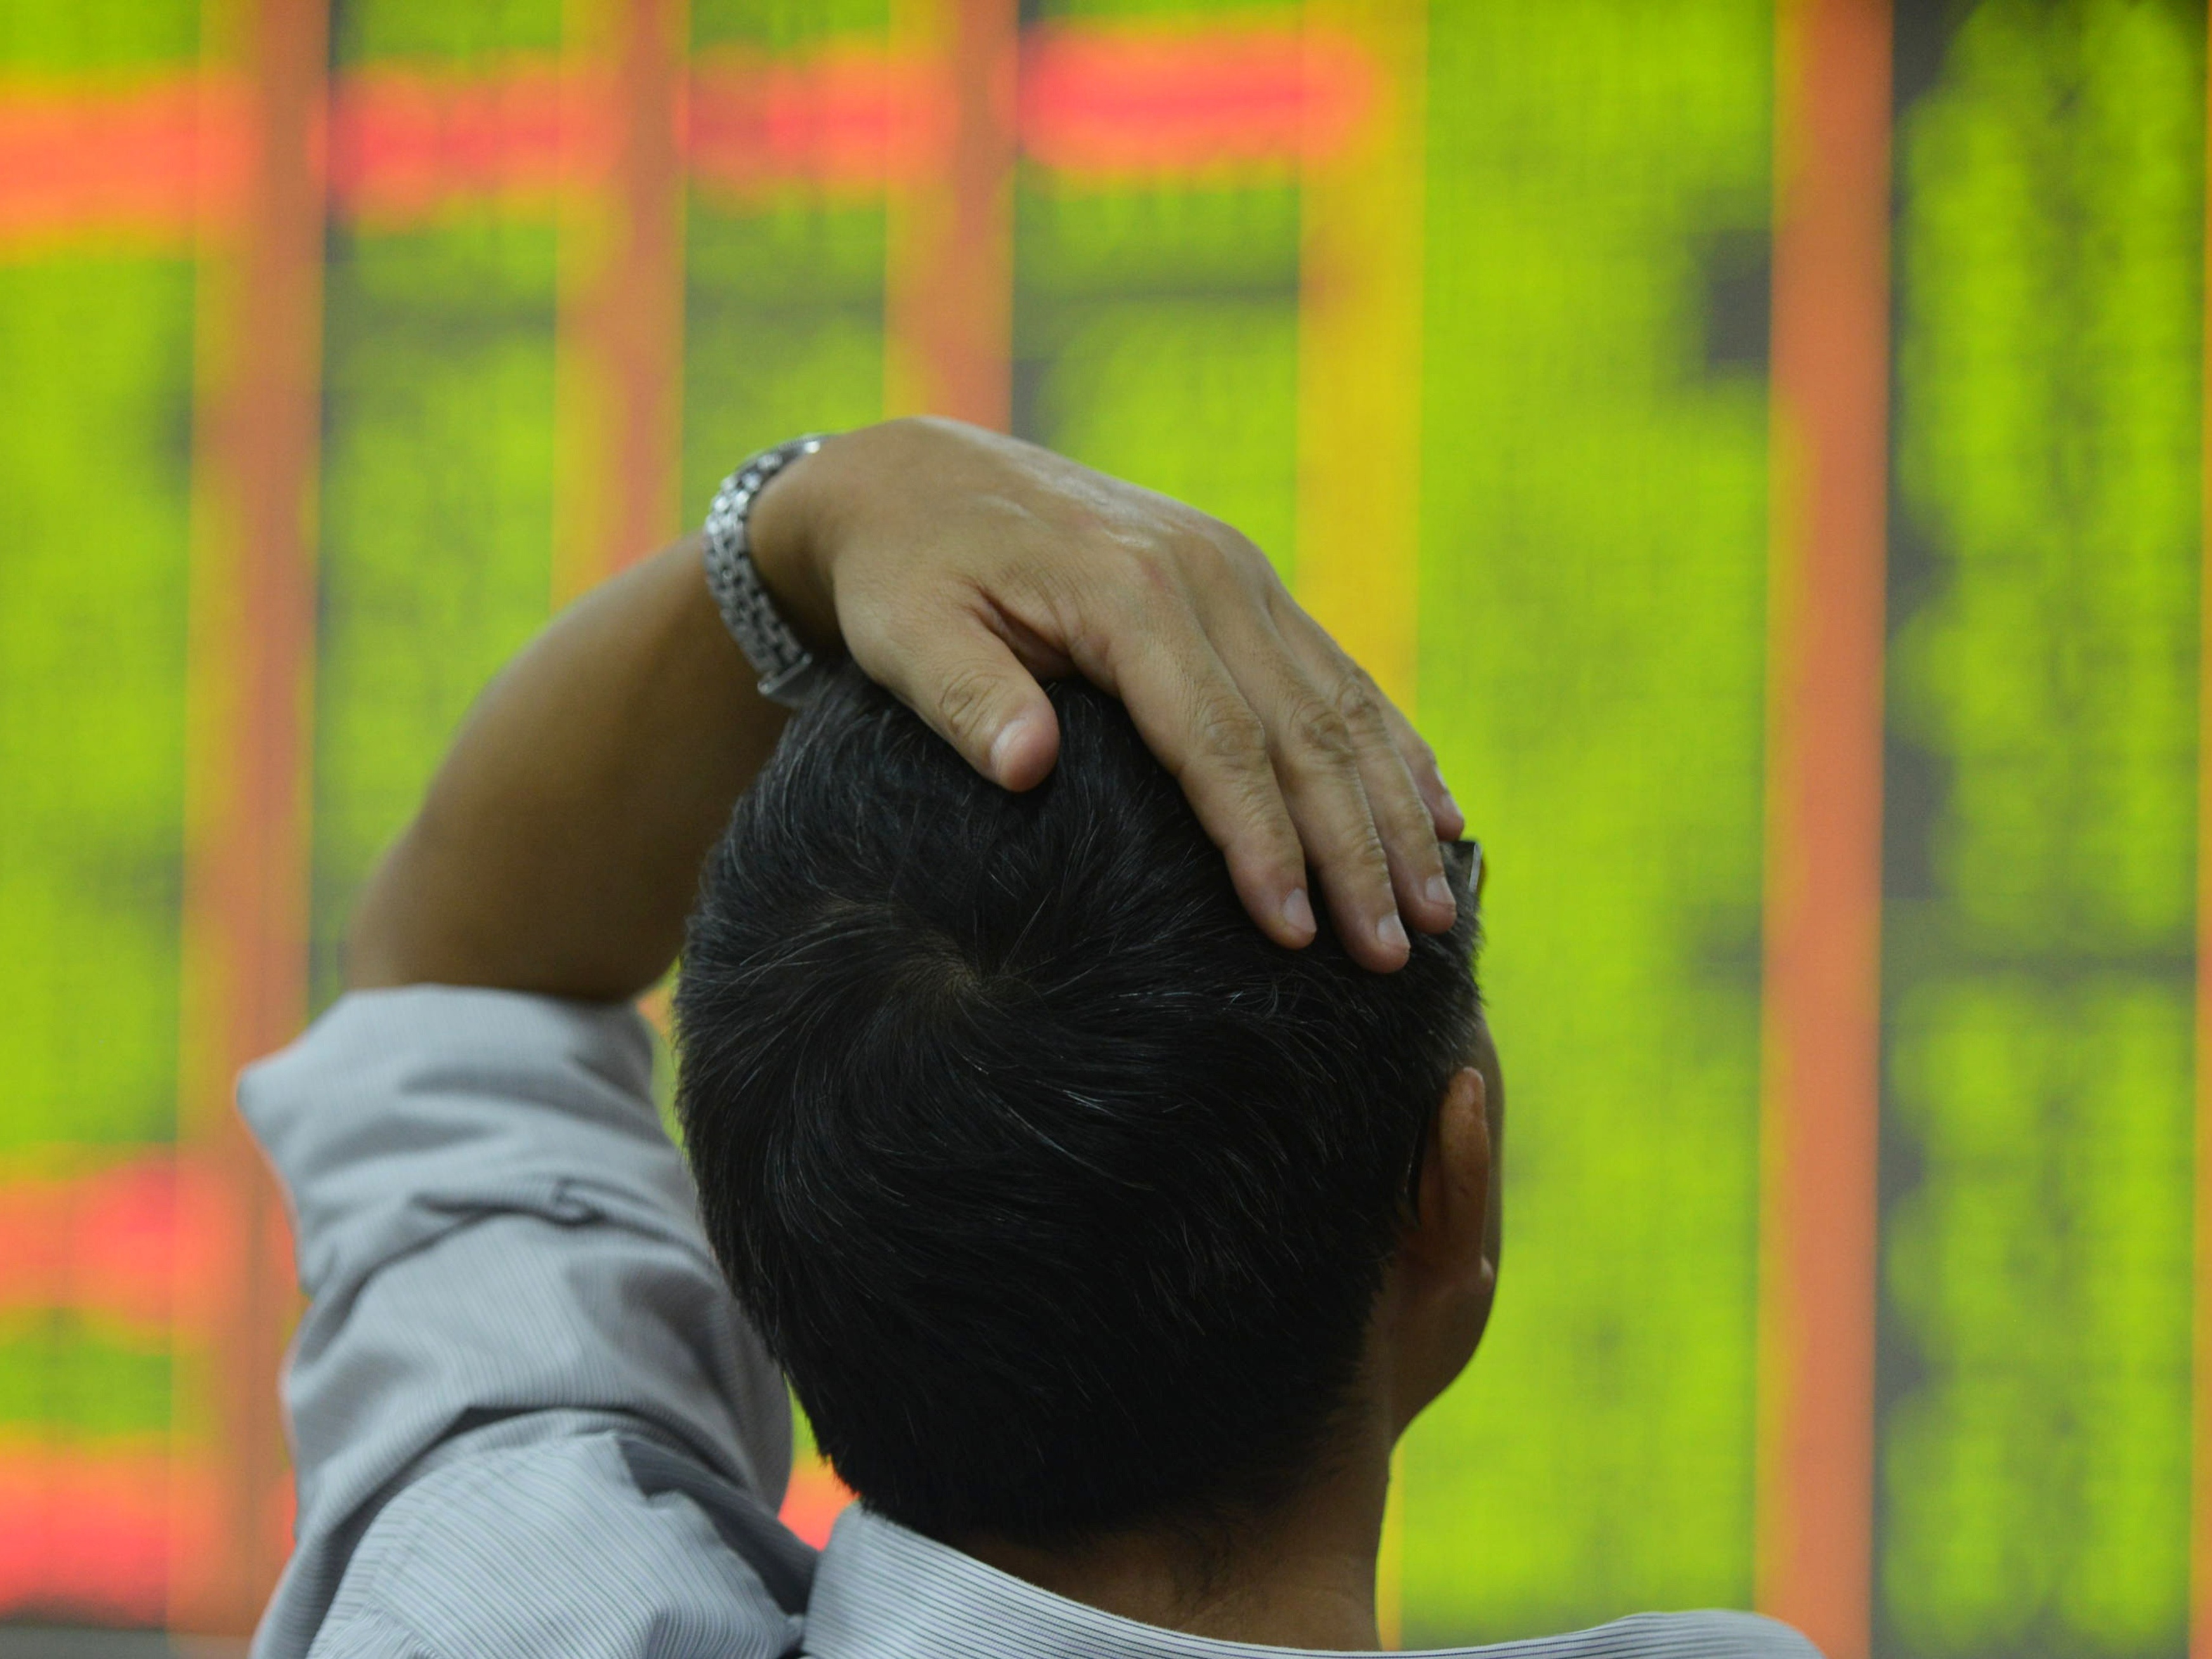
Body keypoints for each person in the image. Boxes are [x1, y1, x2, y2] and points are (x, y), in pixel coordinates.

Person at [240, 419, 1817, 1658]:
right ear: (1449, 1191)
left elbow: (465, 981)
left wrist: (809, 521)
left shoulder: (505, 1603)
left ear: (753, 1240)